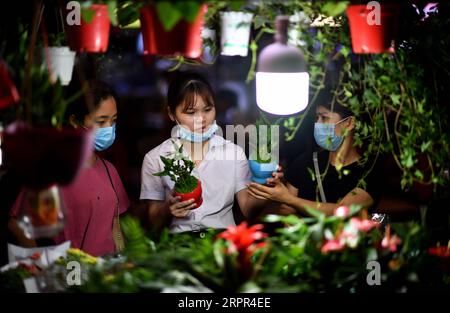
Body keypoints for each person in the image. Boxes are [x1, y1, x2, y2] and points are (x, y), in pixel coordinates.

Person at [140, 72, 281, 233]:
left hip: (224, 243)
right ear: (172, 114)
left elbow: (249, 209)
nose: (201, 119)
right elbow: (150, 222)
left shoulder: (233, 152)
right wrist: (167, 209)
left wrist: (265, 181)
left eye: (207, 109)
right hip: (176, 248)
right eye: (191, 112)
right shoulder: (155, 158)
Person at [8, 80, 130, 256]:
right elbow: (17, 226)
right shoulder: (53, 172)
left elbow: (117, 227)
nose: (109, 128)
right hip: (70, 275)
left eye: (114, 120)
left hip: (106, 275)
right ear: (74, 121)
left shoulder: (109, 170)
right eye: (101, 121)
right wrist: (44, 268)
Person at [247, 89, 381, 216]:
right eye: (317, 118)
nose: (318, 124)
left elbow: (342, 212)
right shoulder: (304, 163)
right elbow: (286, 213)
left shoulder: (370, 171)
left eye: (325, 118)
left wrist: (290, 200)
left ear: (350, 123)